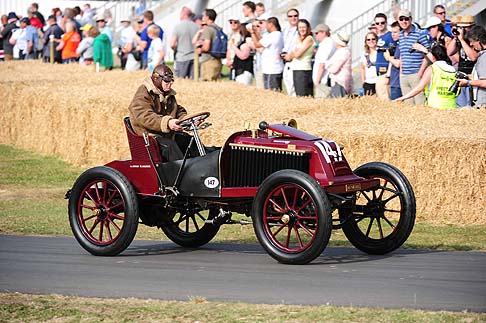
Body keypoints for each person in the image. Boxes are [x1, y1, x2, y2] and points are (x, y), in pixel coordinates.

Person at [128, 64, 189, 162]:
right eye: (166, 81)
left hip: (166, 135)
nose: (170, 84)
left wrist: (186, 119)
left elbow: (177, 109)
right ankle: (182, 175)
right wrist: (167, 123)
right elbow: (144, 115)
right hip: (149, 137)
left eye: (171, 81)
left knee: (188, 141)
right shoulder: (143, 93)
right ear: (157, 79)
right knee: (170, 147)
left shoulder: (168, 94)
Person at [395, 45, 458, 110]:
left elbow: (419, 88)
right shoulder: (453, 69)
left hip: (435, 105)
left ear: (433, 57)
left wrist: (403, 98)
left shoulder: (432, 68)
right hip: (451, 105)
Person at [397, 9, 431, 105]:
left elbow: (427, 53)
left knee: (419, 103)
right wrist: (401, 72)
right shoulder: (401, 35)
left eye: (406, 19)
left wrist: (420, 72)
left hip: (416, 74)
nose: (404, 21)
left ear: (411, 19)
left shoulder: (419, 34)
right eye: (401, 19)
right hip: (404, 75)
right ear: (398, 21)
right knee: (408, 105)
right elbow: (402, 55)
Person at [447, 15, 477, 107]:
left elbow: (473, 57)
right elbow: (449, 52)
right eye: (460, 27)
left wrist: (462, 40)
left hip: (472, 76)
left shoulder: (475, 39)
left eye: (464, 27)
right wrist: (456, 38)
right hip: (461, 74)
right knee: (461, 106)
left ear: (471, 27)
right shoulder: (461, 39)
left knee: (471, 105)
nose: (462, 30)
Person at [249, 16, 284, 91]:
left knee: (271, 93)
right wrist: (257, 32)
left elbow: (257, 44)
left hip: (272, 69)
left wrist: (252, 32)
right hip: (271, 68)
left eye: (266, 24)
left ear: (271, 24)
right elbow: (262, 41)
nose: (265, 26)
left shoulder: (273, 35)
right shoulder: (277, 34)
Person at [457, 25, 486, 108]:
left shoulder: (484, 57)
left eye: (472, 41)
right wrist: (469, 77)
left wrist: (468, 83)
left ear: (478, 40)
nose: (471, 44)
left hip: (483, 103)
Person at [283, 18, 314, 97]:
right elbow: (293, 52)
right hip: (296, 69)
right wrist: (292, 54)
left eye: (304, 27)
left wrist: (292, 54)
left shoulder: (309, 39)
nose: (302, 29)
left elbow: (297, 54)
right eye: (300, 27)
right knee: (298, 94)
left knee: (302, 95)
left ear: (308, 28)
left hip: (303, 69)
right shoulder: (299, 39)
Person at [170, 6, 199, 79]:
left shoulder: (178, 27)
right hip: (194, 58)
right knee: (193, 83)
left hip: (181, 57)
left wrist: (176, 49)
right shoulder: (197, 27)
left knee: (180, 82)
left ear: (184, 14)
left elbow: (172, 44)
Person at [197, 9, 223, 81]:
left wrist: (200, 50)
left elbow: (206, 47)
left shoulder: (208, 29)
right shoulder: (218, 28)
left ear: (207, 17)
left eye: (203, 16)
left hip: (208, 61)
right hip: (217, 61)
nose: (202, 17)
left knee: (207, 85)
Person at [373, 13, 393, 100]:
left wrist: (388, 75)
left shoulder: (390, 36)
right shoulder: (377, 37)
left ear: (386, 23)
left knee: (385, 100)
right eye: (377, 23)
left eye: (382, 22)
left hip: (385, 72)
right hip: (378, 73)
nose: (380, 25)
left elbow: (392, 55)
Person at [312, 23, 335, 98]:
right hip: (322, 79)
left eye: (317, 33)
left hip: (323, 80)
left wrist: (317, 80)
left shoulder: (327, 44)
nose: (315, 35)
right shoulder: (326, 43)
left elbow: (322, 64)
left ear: (324, 32)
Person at [327, 30, 352, 97]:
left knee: (337, 100)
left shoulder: (343, 52)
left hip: (339, 81)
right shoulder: (343, 51)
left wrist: (328, 66)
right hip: (340, 80)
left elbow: (334, 69)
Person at [281, 8, 299, 96]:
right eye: (290, 16)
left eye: (295, 16)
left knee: (294, 88)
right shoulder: (285, 30)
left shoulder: (300, 29)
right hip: (285, 61)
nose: (293, 18)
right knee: (288, 86)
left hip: (295, 60)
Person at [384, 21, 402, 100]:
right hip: (394, 81)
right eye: (392, 32)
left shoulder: (402, 45)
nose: (393, 34)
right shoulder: (397, 44)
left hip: (398, 83)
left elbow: (398, 63)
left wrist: (389, 57)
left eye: (395, 32)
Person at [360, 31, 378, 96]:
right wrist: (363, 82)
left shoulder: (379, 52)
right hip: (368, 82)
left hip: (378, 81)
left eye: (373, 39)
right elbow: (362, 68)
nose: (371, 41)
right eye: (368, 39)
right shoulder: (364, 53)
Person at [226, 16, 242, 80]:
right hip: (231, 62)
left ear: (239, 23)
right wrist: (228, 60)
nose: (233, 24)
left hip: (238, 62)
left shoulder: (240, 35)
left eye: (235, 22)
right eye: (231, 22)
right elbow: (229, 49)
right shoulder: (231, 35)